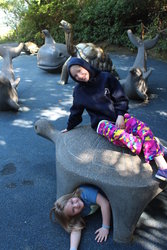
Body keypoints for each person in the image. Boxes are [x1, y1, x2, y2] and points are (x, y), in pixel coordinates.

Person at [62, 57, 167, 181]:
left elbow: (120, 98)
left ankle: (163, 167)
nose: (79, 75)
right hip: (101, 123)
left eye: (80, 70)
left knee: (143, 128)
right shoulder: (79, 91)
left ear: (85, 66)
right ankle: (154, 147)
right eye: (75, 75)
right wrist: (69, 127)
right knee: (121, 136)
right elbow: (76, 111)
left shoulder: (106, 77)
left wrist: (120, 115)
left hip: (118, 115)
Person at [50, 185, 111, 250]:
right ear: (73, 215)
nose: (76, 205)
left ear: (70, 196)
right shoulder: (78, 214)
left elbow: (105, 203)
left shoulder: (84, 193)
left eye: (72, 202)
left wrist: (105, 227)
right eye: (73, 210)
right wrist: (73, 248)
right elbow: (75, 229)